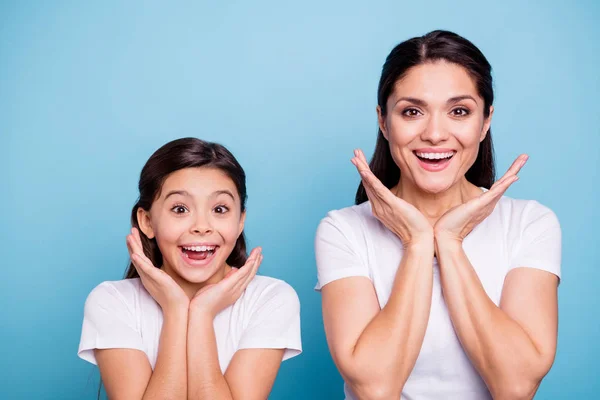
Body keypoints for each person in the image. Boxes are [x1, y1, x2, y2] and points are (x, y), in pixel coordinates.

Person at [315, 30, 561, 400]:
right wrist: (417, 243)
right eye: (412, 112)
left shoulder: (529, 224)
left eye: (459, 111)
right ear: (383, 121)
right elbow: (376, 389)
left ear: (485, 121)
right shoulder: (344, 230)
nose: (434, 133)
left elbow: (516, 386)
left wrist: (449, 241)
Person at [78, 137, 302, 399]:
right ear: (147, 221)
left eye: (220, 208)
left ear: (240, 221)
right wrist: (175, 310)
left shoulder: (270, 299)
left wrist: (202, 314)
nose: (201, 226)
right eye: (180, 208)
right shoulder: (112, 301)